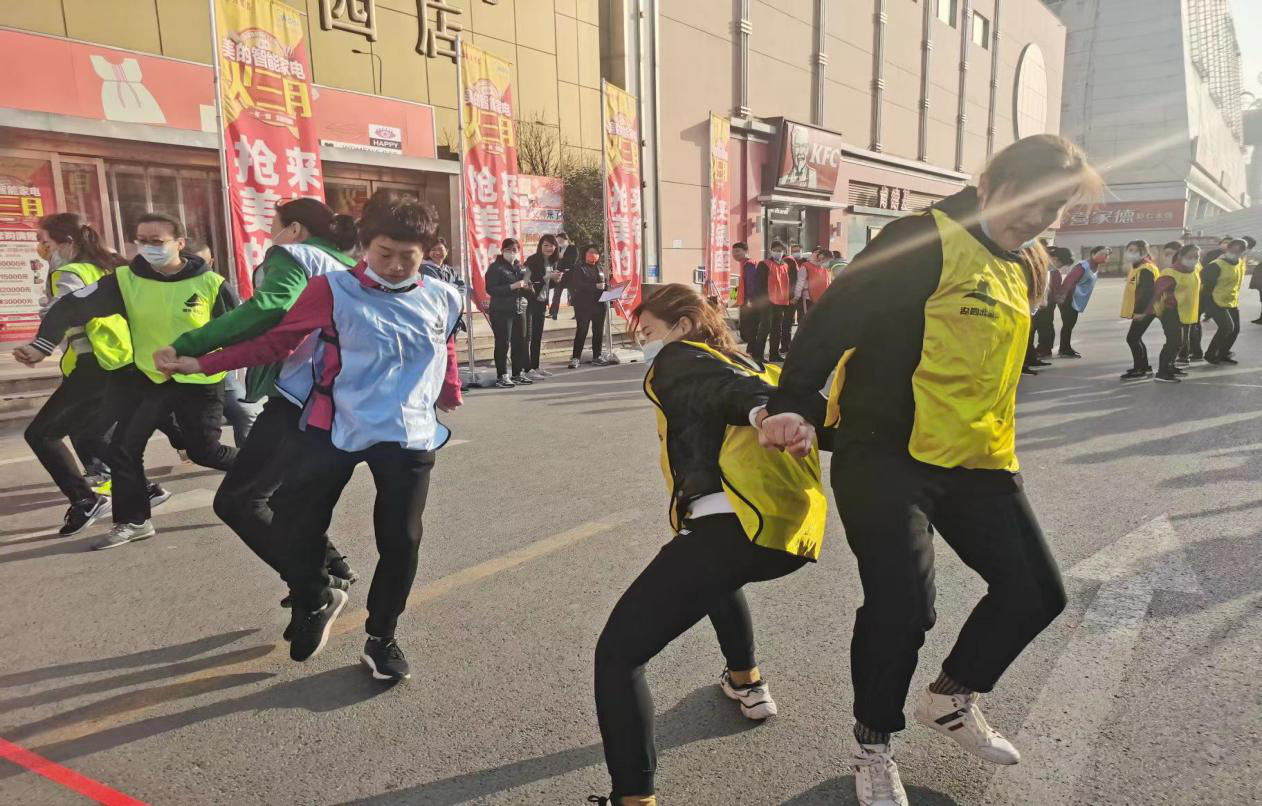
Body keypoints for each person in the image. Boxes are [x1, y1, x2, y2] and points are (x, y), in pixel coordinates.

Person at [758, 134, 1100, 806]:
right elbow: (831, 322)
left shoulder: (1023, 261)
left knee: (1036, 592)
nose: (1038, 218)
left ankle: (950, 698)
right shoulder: (923, 239)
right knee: (903, 605)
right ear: (995, 183)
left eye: (1054, 208)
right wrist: (793, 404)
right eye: (1031, 199)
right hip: (887, 453)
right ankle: (872, 746)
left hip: (979, 458)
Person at [161, 203, 463, 680]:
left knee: (402, 539)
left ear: (427, 252)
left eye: (407, 257)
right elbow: (276, 342)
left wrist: (449, 387)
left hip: (407, 433)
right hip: (334, 427)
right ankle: (313, 596)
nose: (394, 265)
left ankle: (382, 637)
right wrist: (202, 362)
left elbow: (443, 343)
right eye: (384, 253)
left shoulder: (444, 296)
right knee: (298, 524)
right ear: (365, 247)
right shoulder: (331, 289)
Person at [591, 284, 826, 806]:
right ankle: (747, 682)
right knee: (717, 580)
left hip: (726, 527)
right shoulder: (747, 360)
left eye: (649, 331)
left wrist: (762, 414)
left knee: (618, 657)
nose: (645, 343)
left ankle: (633, 799)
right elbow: (764, 396)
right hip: (781, 534)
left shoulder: (679, 359)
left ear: (683, 325)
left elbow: (726, 393)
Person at [157, 199, 361, 598]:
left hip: (299, 396)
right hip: (337, 400)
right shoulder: (348, 266)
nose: (271, 234)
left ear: (295, 229)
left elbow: (267, 310)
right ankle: (332, 566)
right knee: (281, 494)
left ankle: (316, 588)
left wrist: (192, 346)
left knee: (240, 500)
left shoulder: (294, 256)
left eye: (275, 225)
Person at [16, 212, 239, 550]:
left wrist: (207, 363)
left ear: (179, 243)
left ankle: (267, 473)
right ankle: (134, 521)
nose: (148, 248)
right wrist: (41, 344)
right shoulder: (126, 280)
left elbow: (238, 331)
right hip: (149, 379)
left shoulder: (211, 284)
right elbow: (72, 306)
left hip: (199, 380)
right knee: (123, 449)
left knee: (204, 451)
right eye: (141, 241)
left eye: (157, 241)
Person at [21, 214, 130, 536]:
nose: (42, 248)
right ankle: (143, 487)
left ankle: (85, 500)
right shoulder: (108, 267)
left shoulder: (69, 272)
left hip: (93, 363)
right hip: (118, 360)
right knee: (90, 432)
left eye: (45, 241)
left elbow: (67, 311)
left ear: (67, 242)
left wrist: (42, 335)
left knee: (41, 435)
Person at [182, 238, 262, 446]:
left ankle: (248, 461)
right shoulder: (161, 288)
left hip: (213, 368)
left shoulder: (216, 284)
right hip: (169, 369)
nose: (196, 269)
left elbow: (236, 323)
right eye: (191, 262)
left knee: (245, 412)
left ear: (211, 262)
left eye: (201, 263)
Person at [485, 238, 533, 388]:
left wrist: (528, 287)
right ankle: (502, 375)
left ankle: (517, 373)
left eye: (514, 250)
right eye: (508, 249)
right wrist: (512, 286)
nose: (511, 252)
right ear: (502, 250)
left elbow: (530, 287)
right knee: (503, 342)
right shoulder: (496, 268)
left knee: (520, 342)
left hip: (520, 309)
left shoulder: (521, 268)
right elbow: (491, 289)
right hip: (501, 310)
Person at [1152, 244, 1203, 383]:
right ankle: (1162, 372)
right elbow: (1155, 294)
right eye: (1190, 256)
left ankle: (1170, 366)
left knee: (1181, 342)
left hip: (1186, 312)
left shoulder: (1195, 270)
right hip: (1171, 312)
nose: (1193, 259)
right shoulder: (1170, 272)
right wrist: (1146, 312)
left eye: (1196, 256)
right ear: (1180, 256)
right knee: (1173, 341)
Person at [1201, 237, 1248, 365]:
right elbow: (1205, 288)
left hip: (1231, 301)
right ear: (1227, 249)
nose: (1235, 253)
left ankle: (1223, 353)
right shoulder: (1216, 265)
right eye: (1233, 250)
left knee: (1235, 330)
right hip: (1215, 301)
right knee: (1226, 327)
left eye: (1239, 251)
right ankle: (1210, 354)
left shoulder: (1240, 263)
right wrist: (1209, 306)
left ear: (1243, 252)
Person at [564, 244, 610, 368]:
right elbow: (577, 285)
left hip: (599, 304)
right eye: (590, 252)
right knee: (582, 330)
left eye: (596, 252)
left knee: (598, 331)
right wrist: (595, 286)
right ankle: (576, 358)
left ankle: (597, 356)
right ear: (585, 253)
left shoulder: (600, 268)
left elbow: (605, 284)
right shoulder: (578, 268)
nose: (593, 254)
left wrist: (608, 288)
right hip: (583, 305)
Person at [524, 234, 564, 379]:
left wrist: (556, 280)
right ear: (540, 246)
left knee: (537, 336)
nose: (549, 248)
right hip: (529, 302)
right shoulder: (533, 260)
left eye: (552, 245)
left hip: (542, 302)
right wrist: (548, 277)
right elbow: (527, 282)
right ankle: (527, 369)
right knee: (527, 336)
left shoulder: (552, 262)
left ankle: (535, 366)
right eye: (546, 245)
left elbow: (548, 285)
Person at [1119, 240, 1159, 380]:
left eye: (1135, 250)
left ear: (1144, 252)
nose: (1131, 253)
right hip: (1146, 309)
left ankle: (1140, 369)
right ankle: (1144, 367)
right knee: (1136, 338)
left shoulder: (1146, 269)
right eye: (1129, 250)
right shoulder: (1138, 267)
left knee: (1132, 338)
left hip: (1146, 310)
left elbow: (1147, 293)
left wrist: (1140, 312)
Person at [1057, 245, 1107, 358]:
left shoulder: (1095, 266)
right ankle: (1064, 349)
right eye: (1101, 254)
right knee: (1068, 323)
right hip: (1069, 298)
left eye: (1106, 255)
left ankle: (1065, 347)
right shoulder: (1083, 266)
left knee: (1069, 324)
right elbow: (1069, 281)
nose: (1104, 256)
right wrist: (1062, 296)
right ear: (1093, 254)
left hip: (1076, 299)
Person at [751, 240, 796, 362]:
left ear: (784, 252)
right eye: (775, 250)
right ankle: (758, 355)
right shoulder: (764, 264)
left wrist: (789, 298)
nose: (777, 252)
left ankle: (774, 354)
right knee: (765, 328)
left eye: (780, 251)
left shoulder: (785, 265)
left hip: (781, 302)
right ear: (770, 251)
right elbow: (759, 284)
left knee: (777, 329)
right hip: (768, 301)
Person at [1033, 246, 1070, 359]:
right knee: (1040, 326)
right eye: (1060, 264)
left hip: (1047, 303)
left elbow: (1056, 290)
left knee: (1045, 326)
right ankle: (1041, 349)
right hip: (1039, 302)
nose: (1060, 267)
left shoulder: (1053, 272)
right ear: (1054, 258)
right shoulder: (1044, 268)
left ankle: (1044, 349)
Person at [731, 242, 758, 344]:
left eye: (738, 251)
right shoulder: (744, 264)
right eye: (733, 252)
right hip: (744, 300)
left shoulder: (749, 264)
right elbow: (739, 283)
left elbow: (751, 284)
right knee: (745, 324)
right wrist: (734, 299)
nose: (735, 254)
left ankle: (748, 344)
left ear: (746, 251)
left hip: (748, 300)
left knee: (747, 324)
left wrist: (749, 300)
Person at [549, 231, 579, 319]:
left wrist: (563, 258)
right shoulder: (558, 249)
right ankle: (553, 313)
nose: (559, 242)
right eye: (558, 241)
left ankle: (578, 313)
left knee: (574, 295)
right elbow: (554, 261)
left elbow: (573, 260)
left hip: (571, 275)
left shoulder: (573, 248)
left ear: (566, 240)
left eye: (560, 240)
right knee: (556, 295)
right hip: (560, 275)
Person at [800, 247, 833, 314]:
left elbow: (827, 283)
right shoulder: (806, 265)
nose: (828, 262)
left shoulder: (825, 269)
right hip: (809, 298)